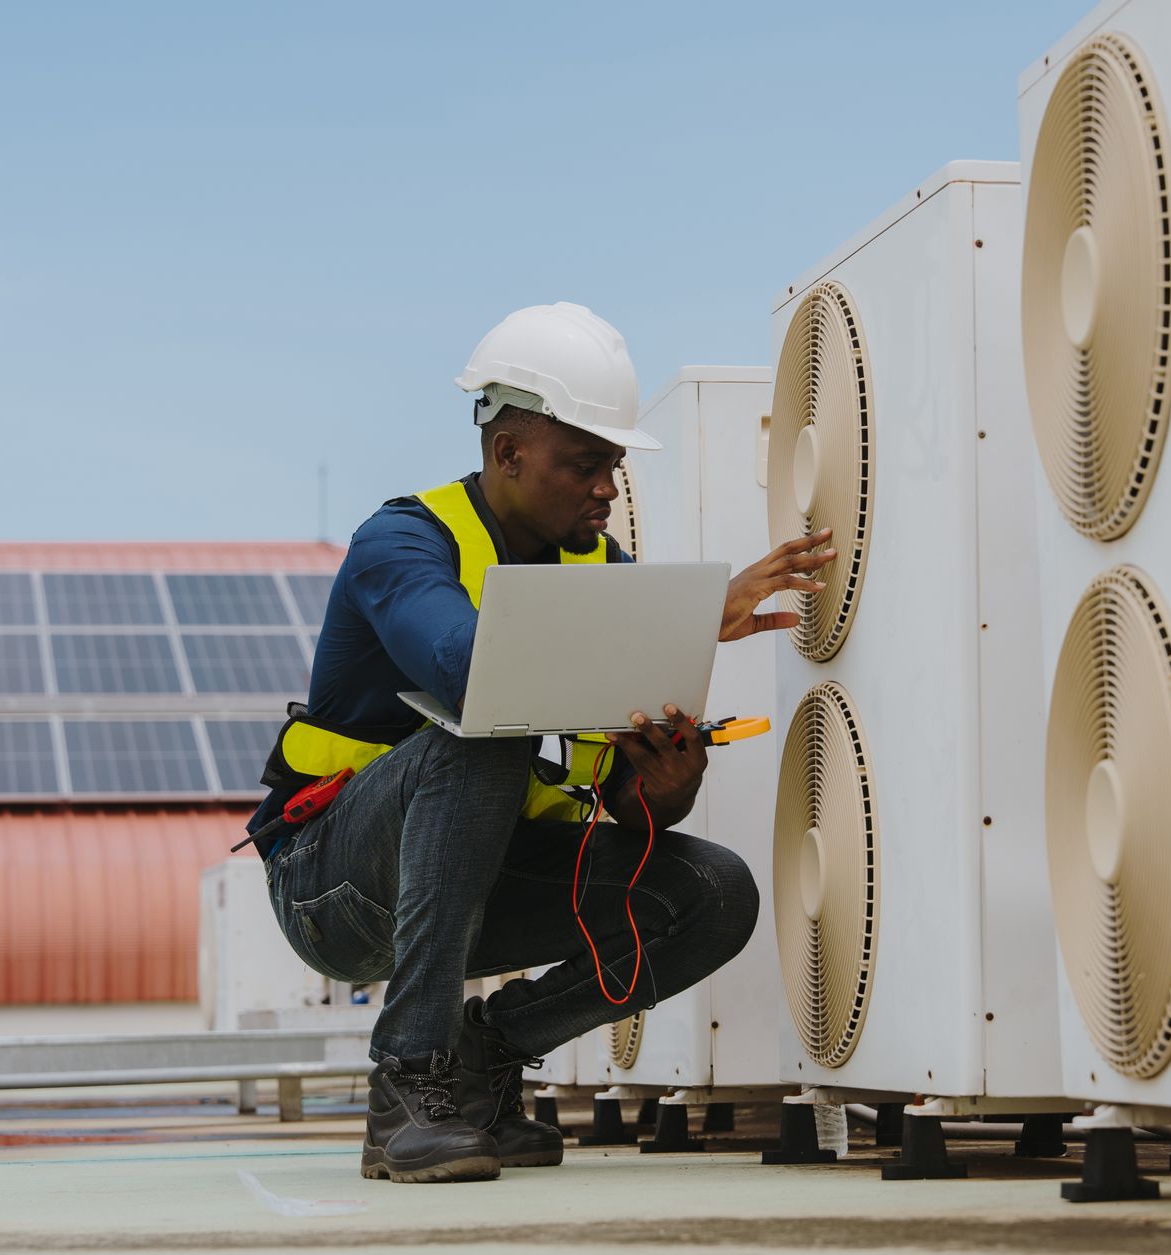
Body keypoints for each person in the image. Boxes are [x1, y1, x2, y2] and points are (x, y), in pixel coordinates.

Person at [248, 302, 836, 1183]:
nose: (606, 488)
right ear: (508, 451)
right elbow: (471, 674)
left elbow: (619, 801)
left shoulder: (602, 578)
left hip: (472, 882)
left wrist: (666, 784)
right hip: (332, 886)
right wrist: (680, 624)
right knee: (482, 729)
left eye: (613, 466)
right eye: (585, 464)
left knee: (714, 892)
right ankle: (411, 1079)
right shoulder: (403, 544)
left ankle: (486, 1057)